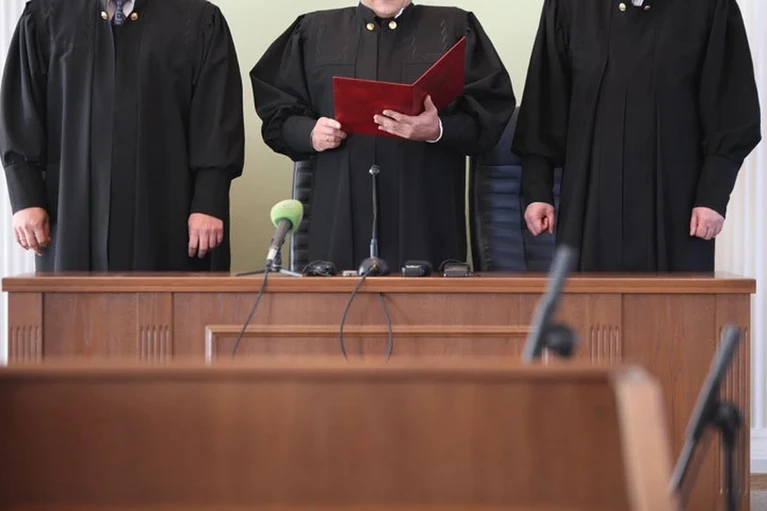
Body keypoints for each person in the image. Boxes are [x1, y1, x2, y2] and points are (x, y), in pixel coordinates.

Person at [250, 0, 515, 272]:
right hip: (339, 221)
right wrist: (310, 133)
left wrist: (438, 129)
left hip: (427, 217)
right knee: (338, 297)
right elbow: (277, 114)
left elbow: (490, 112)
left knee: (428, 295)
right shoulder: (313, 31)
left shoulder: (455, 28)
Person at [512, 0, 761, 272]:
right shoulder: (568, 5)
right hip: (589, 205)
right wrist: (537, 190)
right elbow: (544, 105)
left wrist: (713, 196)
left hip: (677, 206)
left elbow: (731, 112)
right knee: (588, 298)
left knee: (676, 298)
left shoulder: (711, 6)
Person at [1, 0, 245, 272]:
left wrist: (209, 201)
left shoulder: (199, 21)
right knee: (72, 297)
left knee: (169, 296)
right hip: (71, 216)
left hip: (169, 217)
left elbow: (217, 116)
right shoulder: (45, 16)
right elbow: (22, 110)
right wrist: (26, 198)